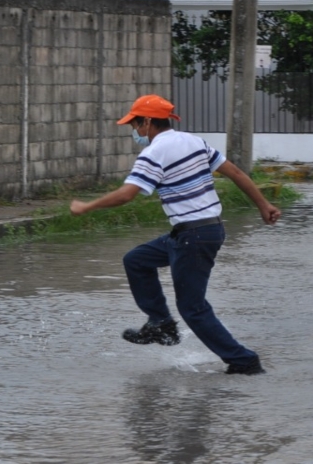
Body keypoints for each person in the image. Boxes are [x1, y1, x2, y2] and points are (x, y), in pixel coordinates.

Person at [70, 94, 281, 375]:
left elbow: (127, 194)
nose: (135, 132)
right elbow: (236, 173)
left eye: (134, 126)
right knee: (137, 259)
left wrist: (87, 206)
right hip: (200, 230)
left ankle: (243, 361)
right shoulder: (193, 141)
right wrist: (263, 204)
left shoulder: (155, 151)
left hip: (194, 236)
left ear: (147, 122)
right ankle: (161, 324)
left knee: (192, 308)